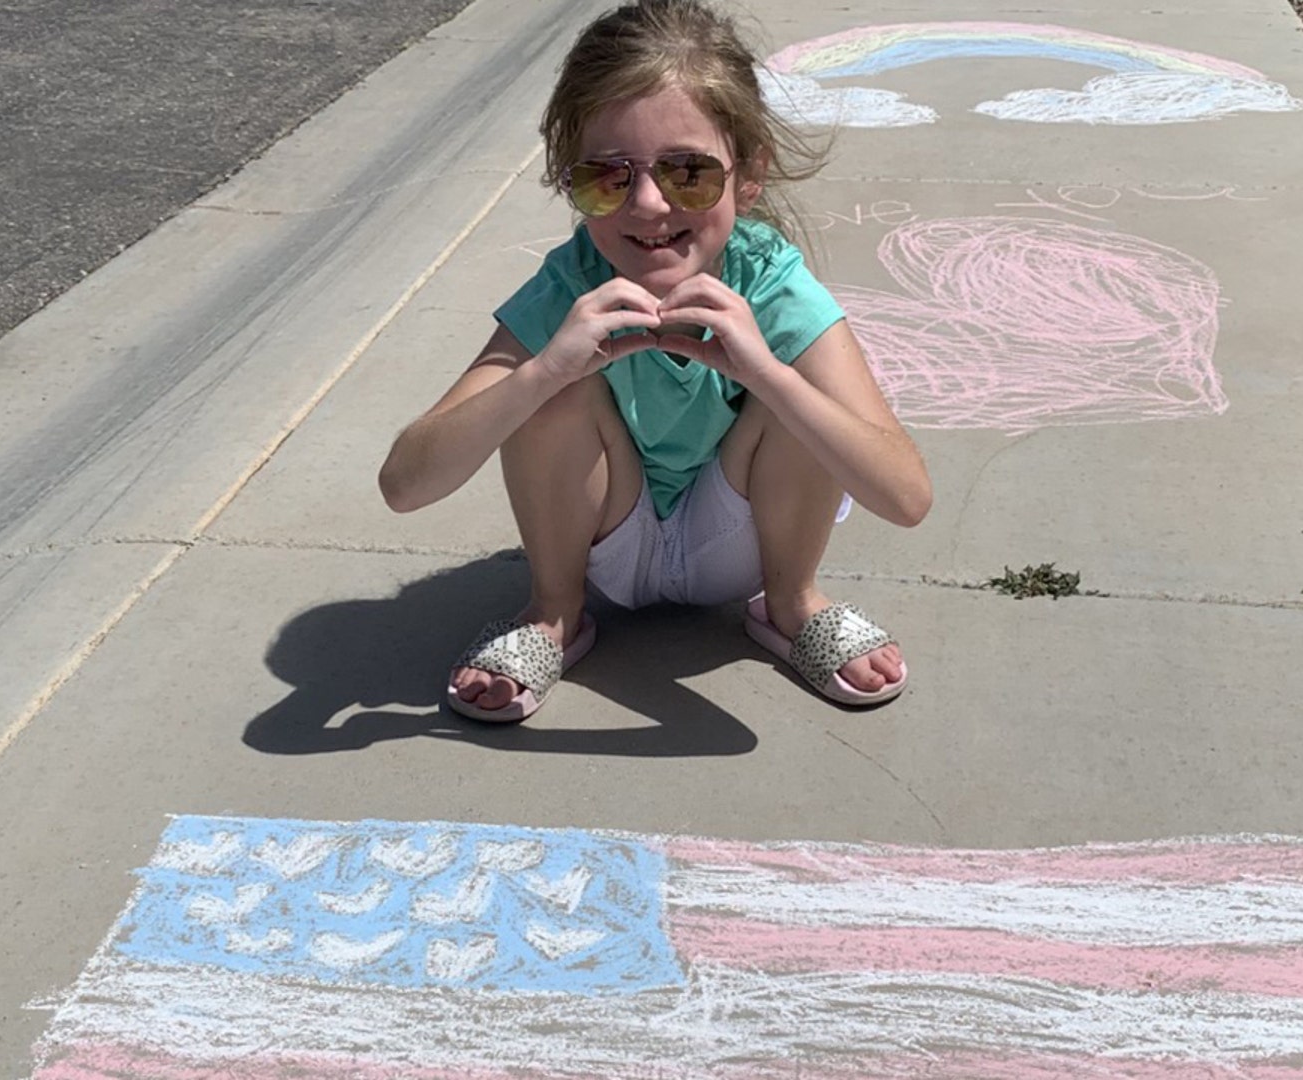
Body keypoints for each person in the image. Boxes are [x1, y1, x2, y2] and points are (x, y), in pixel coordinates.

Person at [377, 0, 931, 721]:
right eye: (606, 176)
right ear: (566, 177)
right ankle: (553, 613)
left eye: (688, 173)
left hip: (741, 548)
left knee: (797, 394)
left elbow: (907, 497)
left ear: (749, 173)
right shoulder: (569, 286)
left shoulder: (770, 282)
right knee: (549, 387)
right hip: (608, 544)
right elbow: (405, 485)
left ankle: (793, 603)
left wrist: (764, 370)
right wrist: (544, 371)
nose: (647, 204)